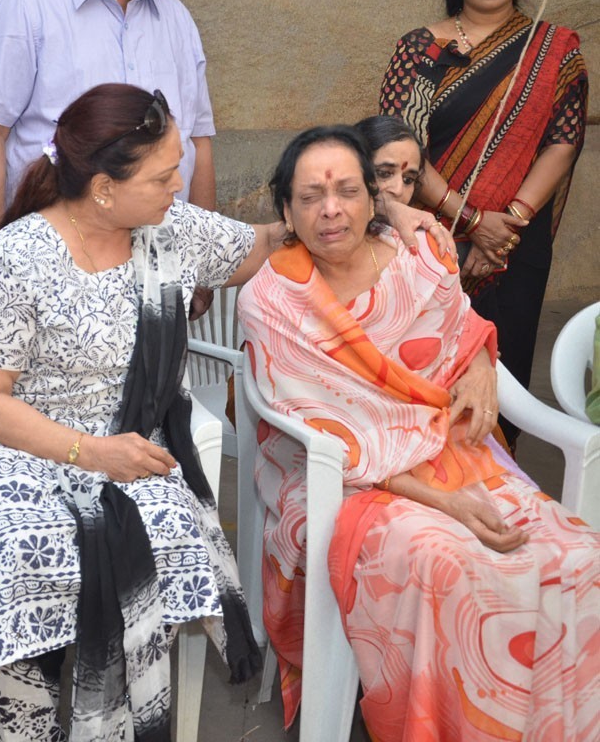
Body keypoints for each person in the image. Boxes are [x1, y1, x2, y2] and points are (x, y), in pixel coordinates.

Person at [0, 84, 271, 741]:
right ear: (105, 189)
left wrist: (357, 214)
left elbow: (259, 246)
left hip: (123, 440)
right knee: (22, 543)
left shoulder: (169, 231)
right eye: (165, 175)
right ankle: (24, 729)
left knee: (166, 527)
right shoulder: (19, 257)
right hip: (6, 443)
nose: (180, 187)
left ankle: (107, 726)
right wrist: (91, 454)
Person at [238, 125, 600, 741]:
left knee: (578, 555)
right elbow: (330, 434)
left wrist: (483, 363)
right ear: (286, 212)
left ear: (373, 200)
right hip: (342, 480)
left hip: (453, 452)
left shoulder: (421, 257)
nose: (331, 210)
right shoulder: (273, 299)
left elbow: (463, 328)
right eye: (311, 197)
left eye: (348, 191)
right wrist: (447, 503)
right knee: (447, 562)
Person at [379, 0, 588, 443]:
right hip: (429, 236)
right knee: (417, 369)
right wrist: (472, 221)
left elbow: (563, 142)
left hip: (517, 245)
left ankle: (496, 478)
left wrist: (506, 227)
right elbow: (399, 150)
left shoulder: (555, 49)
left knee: (503, 369)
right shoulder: (419, 49)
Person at [0, 0, 217, 251]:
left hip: (162, 254)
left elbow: (198, 142)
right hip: (53, 256)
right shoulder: (26, 4)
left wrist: (203, 261)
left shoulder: (177, 18)